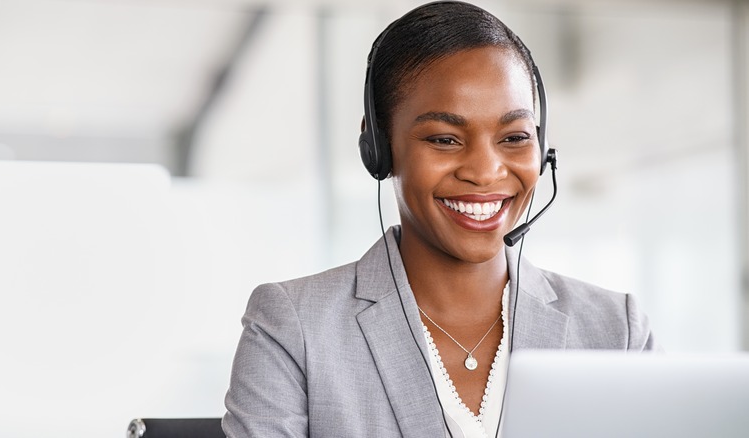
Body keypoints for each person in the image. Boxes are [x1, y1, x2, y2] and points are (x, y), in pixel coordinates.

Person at [223, 2, 658, 437]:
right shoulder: (293, 328)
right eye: (445, 139)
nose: (485, 172)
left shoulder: (615, 329)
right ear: (379, 148)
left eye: (515, 138)